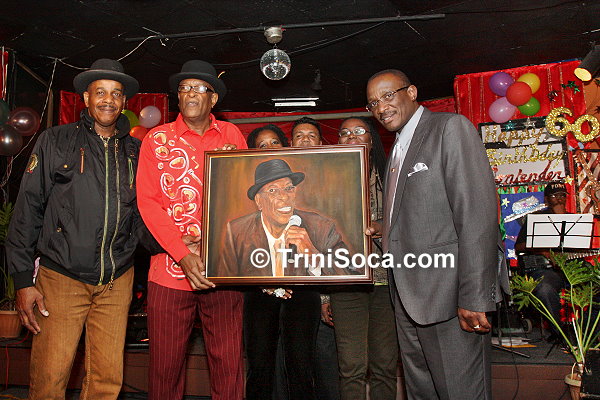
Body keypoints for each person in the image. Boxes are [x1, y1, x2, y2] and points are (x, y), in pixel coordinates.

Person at [5, 58, 141, 399]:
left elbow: (144, 215)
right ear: (86, 98)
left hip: (116, 281)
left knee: (106, 382)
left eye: (116, 93)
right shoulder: (56, 140)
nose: (108, 100)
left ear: (124, 101)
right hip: (62, 278)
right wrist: (23, 281)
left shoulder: (135, 151)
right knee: (50, 378)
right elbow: (27, 212)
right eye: (100, 92)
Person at [365, 69, 500, 399]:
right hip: (407, 298)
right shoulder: (397, 149)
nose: (381, 108)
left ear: (411, 92)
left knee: (460, 392)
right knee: (421, 392)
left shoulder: (449, 128)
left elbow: (476, 215)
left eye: (388, 96)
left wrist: (474, 296)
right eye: (373, 103)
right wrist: (385, 229)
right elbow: (418, 216)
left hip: (449, 297)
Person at [136, 60, 247, 400]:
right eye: (184, 88)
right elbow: (148, 204)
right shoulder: (156, 139)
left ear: (214, 99)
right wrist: (182, 253)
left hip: (225, 268)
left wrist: (234, 168)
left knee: (228, 365)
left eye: (199, 88)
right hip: (170, 270)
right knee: (165, 370)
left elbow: (248, 199)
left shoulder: (232, 135)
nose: (191, 94)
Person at [329, 116, 398, 400]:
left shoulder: (391, 173)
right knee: (351, 368)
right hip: (345, 283)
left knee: (384, 366)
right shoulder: (329, 180)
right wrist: (324, 296)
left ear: (372, 139)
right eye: (344, 133)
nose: (351, 136)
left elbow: (413, 220)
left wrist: (385, 228)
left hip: (387, 282)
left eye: (359, 131)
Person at [218, 159, 350, 277]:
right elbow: (225, 282)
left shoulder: (321, 227)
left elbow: (351, 273)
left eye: (289, 188)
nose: (284, 196)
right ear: (258, 201)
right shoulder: (237, 232)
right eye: (272, 190)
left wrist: (313, 256)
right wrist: (262, 286)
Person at [515, 181, 569, 340]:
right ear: (546, 199)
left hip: (571, 269)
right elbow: (519, 246)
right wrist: (543, 250)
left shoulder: (575, 219)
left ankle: (589, 334)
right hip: (546, 270)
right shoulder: (536, 218)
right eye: (554, 196)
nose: (559, 199)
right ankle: (559, 334)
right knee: (545, 289)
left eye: (562, 195)